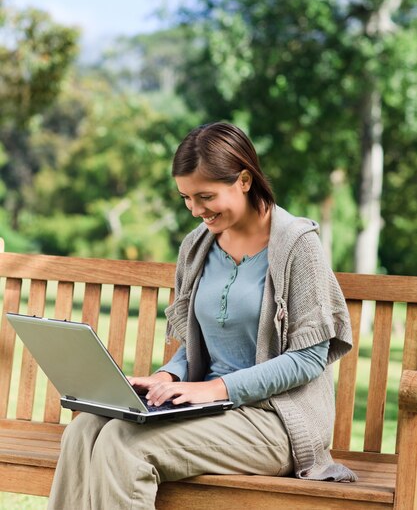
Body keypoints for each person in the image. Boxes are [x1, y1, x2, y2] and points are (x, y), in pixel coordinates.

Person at [47, 122, 357, 510]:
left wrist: (215, 389)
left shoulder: (297, 246)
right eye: (186, 198)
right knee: (83, 431)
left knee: (123, 445)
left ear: (244, 180)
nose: (196, 210)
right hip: (206, 410)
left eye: (205, 196)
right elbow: (199, 345)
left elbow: (308, 359)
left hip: (275, 421)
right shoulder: (197, 247)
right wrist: (168, 376)